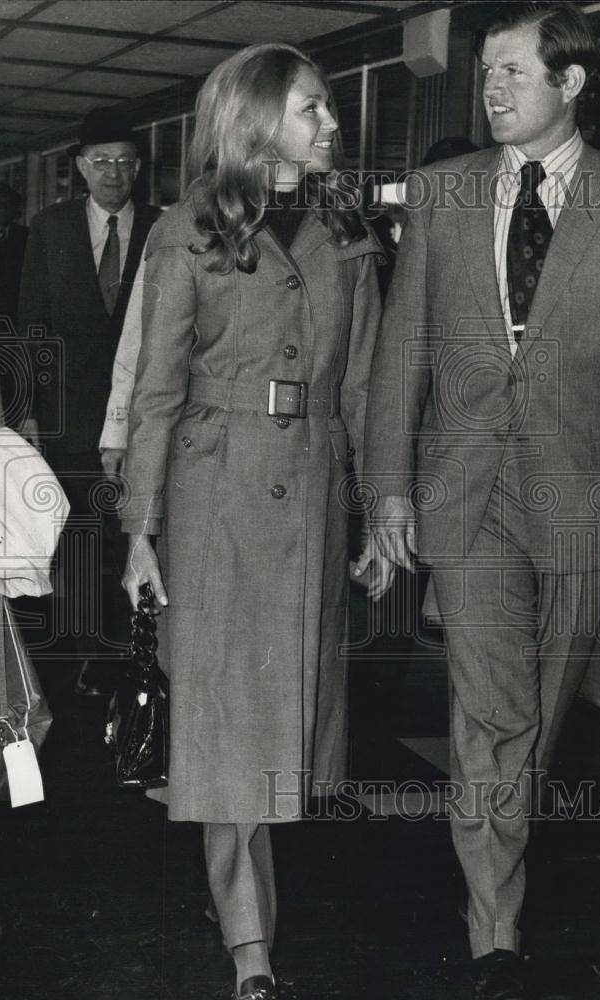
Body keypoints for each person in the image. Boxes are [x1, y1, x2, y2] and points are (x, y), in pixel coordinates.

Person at [364, 4, 600, 997]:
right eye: (487, 73)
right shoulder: (439, 193)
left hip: (582, 497)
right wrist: (388, 489)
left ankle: (499, 844)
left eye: (514, 72)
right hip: (467, 492)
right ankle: (495, 935)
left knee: (537, 718)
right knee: (493, 709)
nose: (493, 88)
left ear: (572, 83)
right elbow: (400, 357)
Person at [118, 43, 392, 1000]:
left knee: (282, 730)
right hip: (215, 493)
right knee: (232, 725)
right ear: (257, 120)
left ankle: (238, 895)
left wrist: (379, 514)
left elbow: (364, 388)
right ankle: (251, 948)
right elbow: (155, 393)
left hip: (313, 490)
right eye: (313, 109)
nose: (330, 124)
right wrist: (140, 531)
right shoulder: (184, 230)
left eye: (326, 110)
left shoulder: (349, 230)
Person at [17, 108, 161, 695]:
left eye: (125, 162)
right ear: (80, 168)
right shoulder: (51, 229)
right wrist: (26, 411)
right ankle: (89, 658)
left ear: (139, 168)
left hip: (143, 416)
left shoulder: (161, 228)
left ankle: (139, 655)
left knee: (135, 532)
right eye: (101, 162)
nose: (113, 173)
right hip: (67, 415)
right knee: (77, 536)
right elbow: (30, 322)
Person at [0, 181, 29, 428]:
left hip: (13, 320)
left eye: (7, 206)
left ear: (16, 210)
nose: (1, 210)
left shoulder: (26, 237)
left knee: (10, 375)